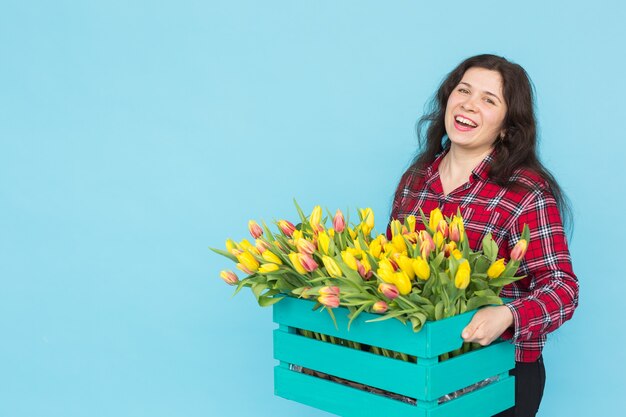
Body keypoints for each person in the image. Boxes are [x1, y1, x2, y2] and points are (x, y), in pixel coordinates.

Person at [388, 54, 579, 417]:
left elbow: (562, 288)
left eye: (489, 100)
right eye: (463, 91)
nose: (469, 104)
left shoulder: (525, 193)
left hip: (500, 373)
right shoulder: (415, 181)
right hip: (423, 371)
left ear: (507, 127)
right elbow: (392, 268)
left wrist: (506, 315)